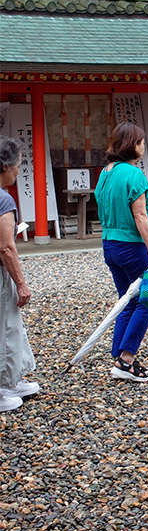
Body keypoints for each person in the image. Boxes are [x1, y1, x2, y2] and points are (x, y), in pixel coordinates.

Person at [95, 122, 148, 382]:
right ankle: (126, 361)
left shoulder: (106, 172)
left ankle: (120, 360)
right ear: (132, 145)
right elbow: (139, 215)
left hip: (109, 244)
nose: (143, 147)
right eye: (142, 142)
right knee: (146, 301)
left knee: (126, 301)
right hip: (131, 246)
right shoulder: (134, 174)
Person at [0, 137, 39, 411]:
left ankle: (12, 380)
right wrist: (21, 284)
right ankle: (3, 387)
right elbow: (6, 247)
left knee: (12, 326)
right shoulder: (4, 201)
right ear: (5, 165)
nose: (18, 170)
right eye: (17, 165)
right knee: (5, 328)